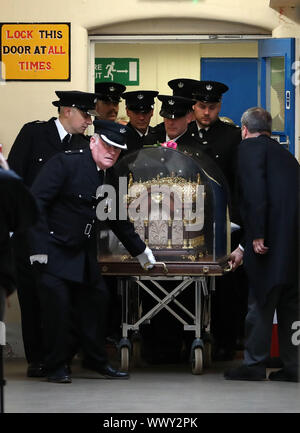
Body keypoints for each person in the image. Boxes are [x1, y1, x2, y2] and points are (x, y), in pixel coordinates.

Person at [28, 119, 156, 383]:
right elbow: (34, 205)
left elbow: (116, 216)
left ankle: (96, 361)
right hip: (53, 249)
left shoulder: (108, 174)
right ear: (93, 141)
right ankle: (55, 366)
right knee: (59, 310)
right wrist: (38, 248)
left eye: (118, 149)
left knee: (96, 304)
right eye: (107, 145)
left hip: (83, 252)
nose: (112, 152)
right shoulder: (65, 163)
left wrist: (141, 250)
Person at [7, 90, 97, 377]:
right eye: (85, 115)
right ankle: (38, 359)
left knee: (62, 300)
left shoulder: (84, 145)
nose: (88, 122)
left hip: (65, 238)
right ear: (67, 110)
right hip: (31, 232)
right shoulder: (34, 134)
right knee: (33, 299)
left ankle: (60, 357)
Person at [224, 107, 299, 382]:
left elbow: (256, 192)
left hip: (266, 243)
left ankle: (254, 364)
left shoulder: (249, 149)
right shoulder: (285, 155)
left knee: (261, 302)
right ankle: (295, 366)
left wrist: (255, 235)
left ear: (244, 130)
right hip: (292, 245)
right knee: (292, 306)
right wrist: (242, 248)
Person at [189, 80, 247, 361]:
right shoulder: (184, 133)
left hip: (224, 222)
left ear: (219, 107)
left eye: (212, 107)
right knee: (188, 283)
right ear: (194, 106)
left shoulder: (232, 135)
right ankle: (188, 336)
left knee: (226, 287)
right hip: (189, 223)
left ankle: (226, 341)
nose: (206, 113)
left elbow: (238, 181)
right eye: (202, 107)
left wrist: (236, 217)